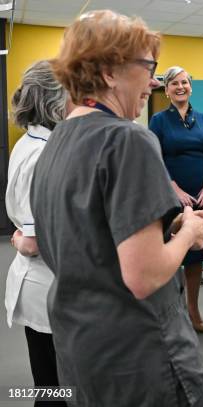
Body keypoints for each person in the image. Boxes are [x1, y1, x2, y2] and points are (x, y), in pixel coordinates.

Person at [30, 10, 203, 406]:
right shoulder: (128, 141)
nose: (153, 82)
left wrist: (164, 227)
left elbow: (91, 239)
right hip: (140, 354)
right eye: (148, 67)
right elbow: (143, 276)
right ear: (110, 71)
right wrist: (188, 233)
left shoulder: (56, 143)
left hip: (83, 348)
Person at [5, 60, 71, 407]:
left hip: (43, 285)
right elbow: (32, 242)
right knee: (55, 390)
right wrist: (20, 238)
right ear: (55, 100)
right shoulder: (44, 153)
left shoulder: (28, 143)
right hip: (48, 287)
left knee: (50, 384)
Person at [149, 66, 203, 334]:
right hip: (170, 198)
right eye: (174, 83)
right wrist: (173, 187)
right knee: (170, 255)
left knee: (196, 257)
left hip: (201, 197)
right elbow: (153, 156)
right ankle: (168, 312)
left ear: (191, 87)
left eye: (185, 82)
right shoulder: (158, 121)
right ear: (166, 90)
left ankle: (193, 310)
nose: (180, 87)